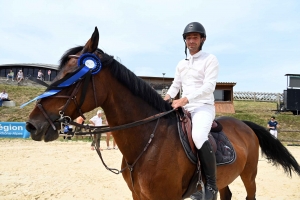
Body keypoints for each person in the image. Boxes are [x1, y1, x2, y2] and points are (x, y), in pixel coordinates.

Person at [164, 22, 219, 200]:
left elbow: (209, 86)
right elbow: (175, 85)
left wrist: (185, 99)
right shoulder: (181, 63)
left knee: (198, 136)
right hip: (184, 107)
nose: (191, 41)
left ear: (202, 39)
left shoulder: (210, 59)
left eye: (195, 37)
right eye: (188, 38)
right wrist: (166, 98)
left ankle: (211, 184)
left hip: (203, 107)